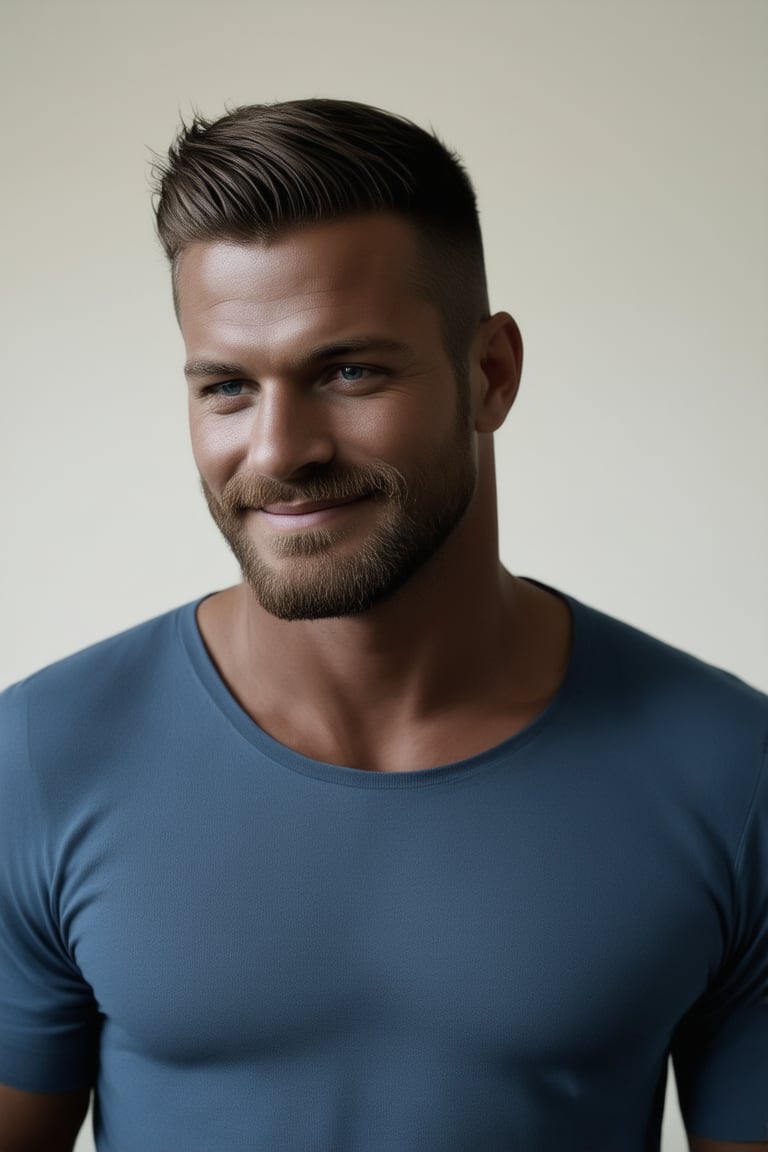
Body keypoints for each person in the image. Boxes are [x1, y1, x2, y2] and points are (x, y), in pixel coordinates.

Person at [0, 99, 765, 1152]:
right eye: (228, 387)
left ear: (489, 375)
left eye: (349, 371)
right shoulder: (41, 758)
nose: (280, 450)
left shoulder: (732, 775)